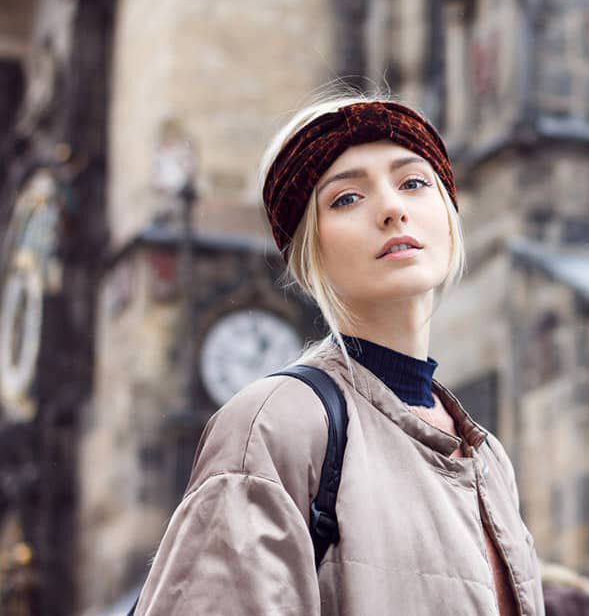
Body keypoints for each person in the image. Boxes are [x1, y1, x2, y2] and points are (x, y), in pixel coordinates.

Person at [132, 94, 545, 615]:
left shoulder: (489, 460)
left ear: (447, 213)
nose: (393, 208)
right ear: (310, 252)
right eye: (347, 198)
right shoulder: (275, 424)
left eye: (414, 182)